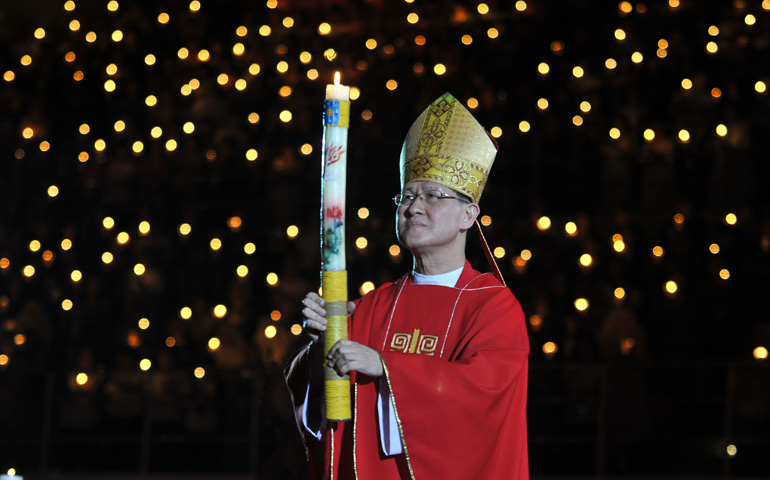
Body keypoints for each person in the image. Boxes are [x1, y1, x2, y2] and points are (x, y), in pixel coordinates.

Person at [284, 93, 529, 479]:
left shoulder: (493, 308)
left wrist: (384, 367)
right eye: (408, 196)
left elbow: (483, 407)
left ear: (469, 214)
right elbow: (327, 419)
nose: (414, 207)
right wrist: (323, 346)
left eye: (433, 195)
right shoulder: (371, 306)